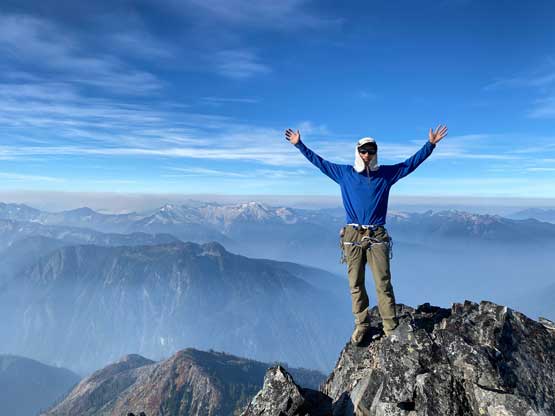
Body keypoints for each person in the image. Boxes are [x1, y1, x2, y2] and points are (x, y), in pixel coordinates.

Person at [284, 125, 448, 345]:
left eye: (371, 151)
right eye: (363, 151)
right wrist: (299, 145)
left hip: (376, 234)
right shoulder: (344, 173)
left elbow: (410, 164)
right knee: (356, 283)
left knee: (382, 282)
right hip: (353, 234)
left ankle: (390, 326)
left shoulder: (385, 175)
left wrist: (430, 145)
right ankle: (362, 324)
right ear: (357, 151)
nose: (367, 155)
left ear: (375, 153)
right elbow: (319, 162)